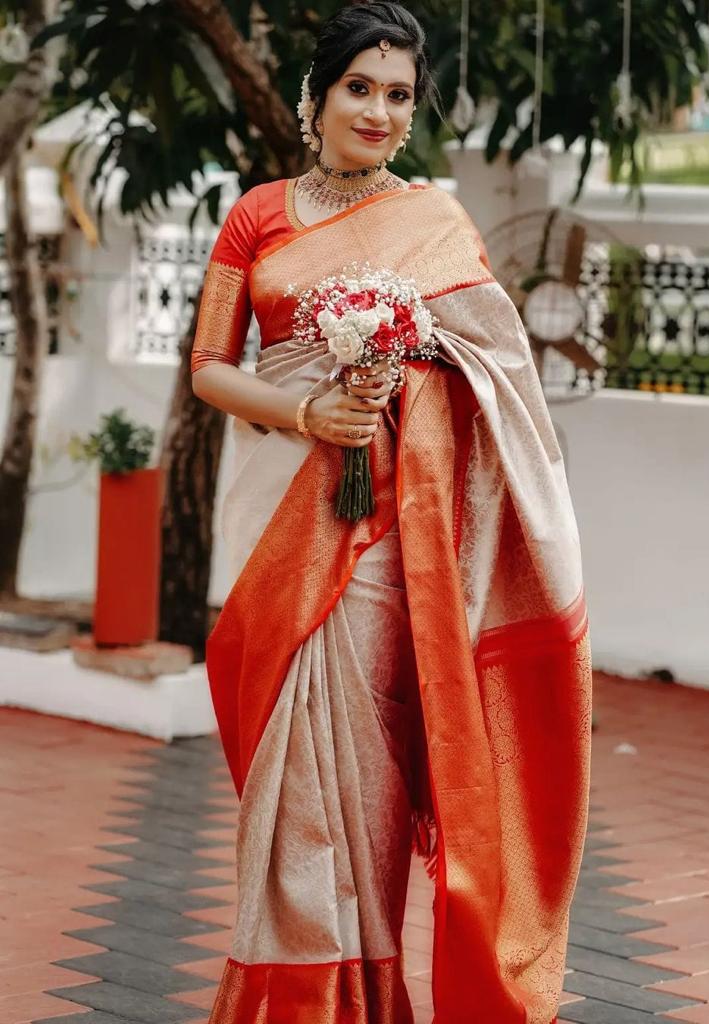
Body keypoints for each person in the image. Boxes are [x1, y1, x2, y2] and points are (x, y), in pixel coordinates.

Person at [190, 3, 592, 1022]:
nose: (378, 110)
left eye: (399, 94)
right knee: (287, 786)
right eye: (360, 88)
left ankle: (360, 1001)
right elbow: (207, 370)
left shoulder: (437, 225)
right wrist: (309, 409)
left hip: (378, 542)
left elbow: (495, 366)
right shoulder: (258, 214)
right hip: (272, 515)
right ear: (315, 96)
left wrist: (407, 372)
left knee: (358, 783)